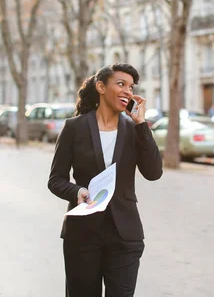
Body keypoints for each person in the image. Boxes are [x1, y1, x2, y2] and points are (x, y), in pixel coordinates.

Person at [48, 63, 162, 297]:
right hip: (82, 235)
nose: (128, 91)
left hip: (125, 235)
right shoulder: (74, 127)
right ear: (101, 87)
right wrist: (77, 191)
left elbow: (153, 172)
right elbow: (56, 179)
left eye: (131, 87)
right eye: (121, 84)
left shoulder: (134, 129)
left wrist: (141, 124)